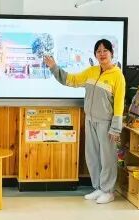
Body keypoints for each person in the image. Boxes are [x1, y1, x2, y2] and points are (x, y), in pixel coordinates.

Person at [44, 39, 125, 205]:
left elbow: (119, 104)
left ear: (111, 53)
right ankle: (98, 187)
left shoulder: (118, 75)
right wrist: (54, 67)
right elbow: (71, 80)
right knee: (92, 156)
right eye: (98, 51)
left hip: (106, 123)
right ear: (95, 54)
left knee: (107, 158)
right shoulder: (91, 71)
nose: (102, 54)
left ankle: (108, 191)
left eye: (105, 50)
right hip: (90, 120)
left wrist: (115, 128)